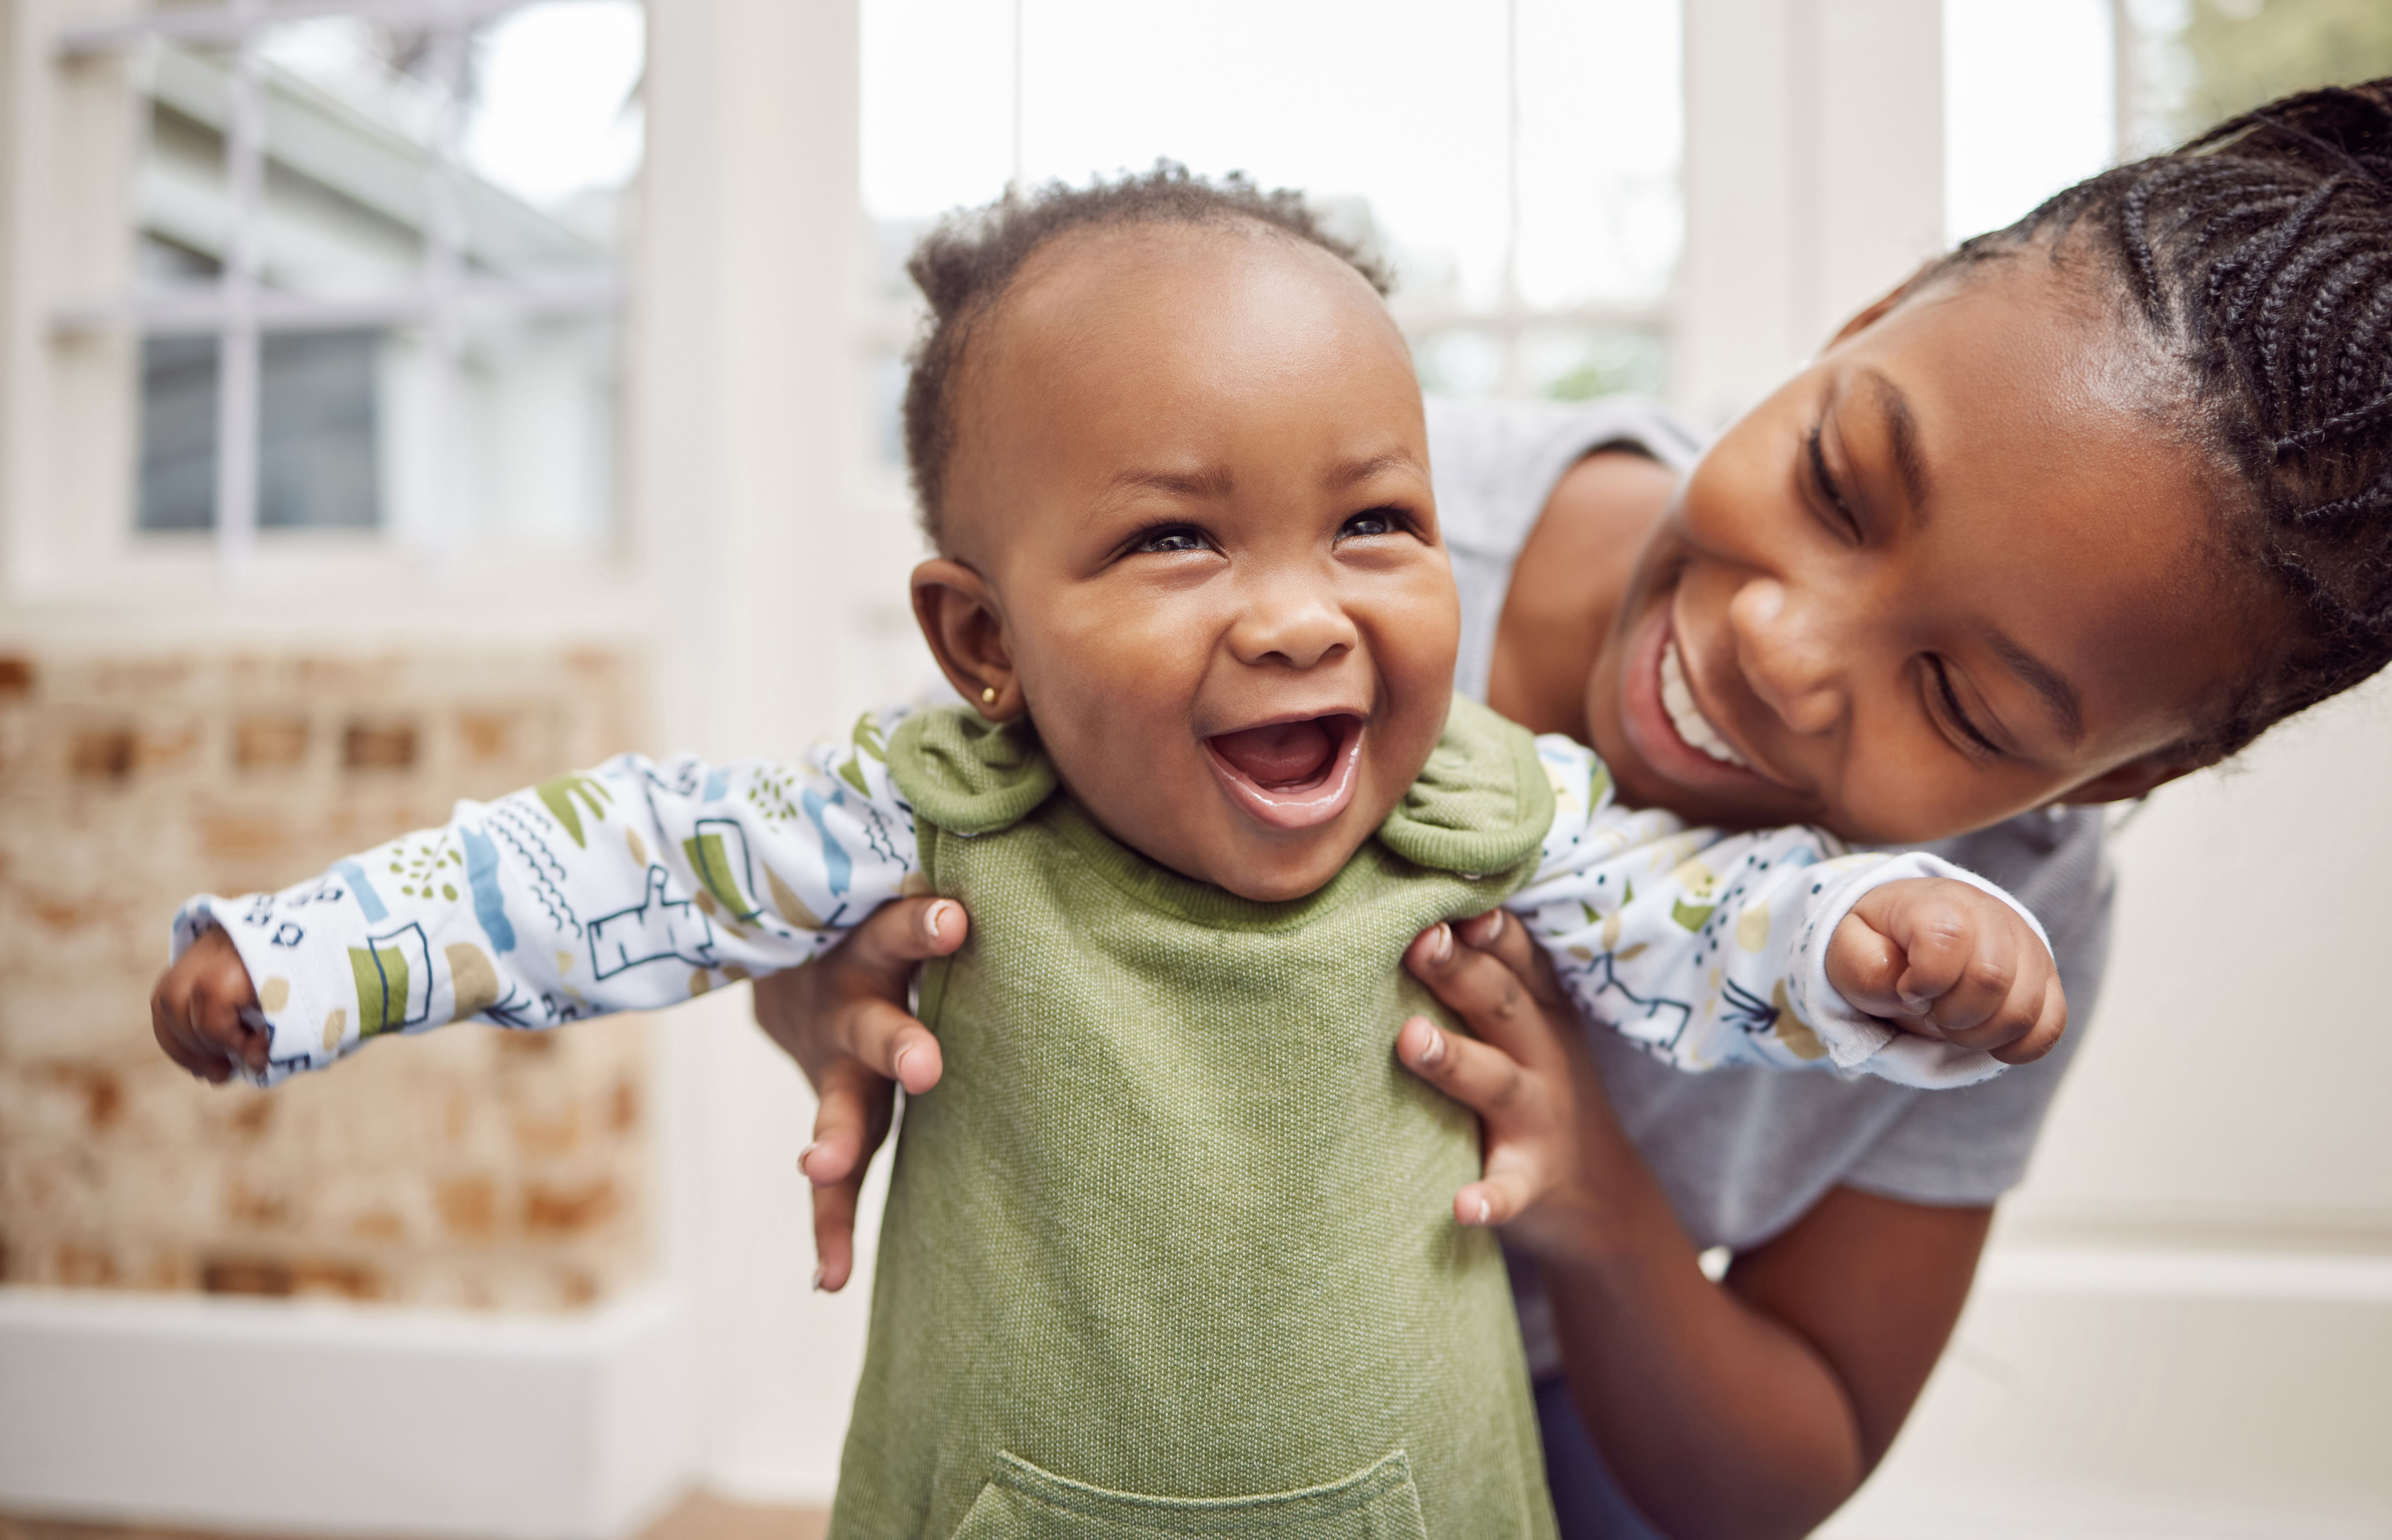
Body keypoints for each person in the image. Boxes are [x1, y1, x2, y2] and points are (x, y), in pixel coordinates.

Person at [150, 169, 2061, 1539]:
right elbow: (616, 863)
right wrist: (310, 957)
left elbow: (1708, 920)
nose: (1300, 615)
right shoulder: (921, 810)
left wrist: (1888, 931)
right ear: (983, 640)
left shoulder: (1487, 805)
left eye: (1374, 523)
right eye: (1176, 541)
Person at [752, 80, 2392, 1537]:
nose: (1779, 644)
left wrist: (1596, 1200)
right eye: (1836, 483)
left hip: (1580, 1426)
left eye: (1962, 701)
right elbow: (884, 857)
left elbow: (1780, 1470)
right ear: (1864, 322)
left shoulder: (1994, 918)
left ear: (2120, 777)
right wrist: (830, 988)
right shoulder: (1281, 528)